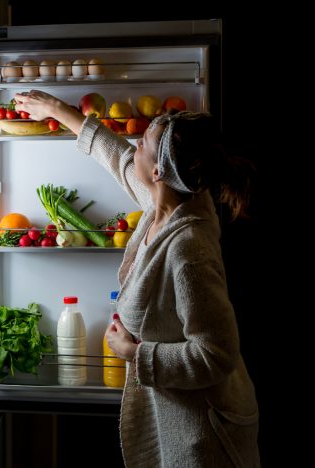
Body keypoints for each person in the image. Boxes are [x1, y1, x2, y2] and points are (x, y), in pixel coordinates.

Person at [14, 90, 260, 467]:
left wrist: (135, 353)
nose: (135, 145)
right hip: (174, 417)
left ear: (159, 171)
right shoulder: (165, 202)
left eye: (143, 141)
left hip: (203, 435)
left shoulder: (188, 248)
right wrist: (58, 111)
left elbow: (215, 354)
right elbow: (119, 159)